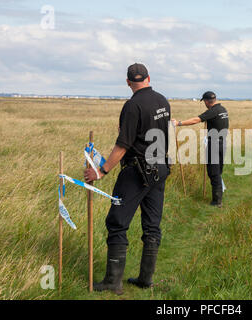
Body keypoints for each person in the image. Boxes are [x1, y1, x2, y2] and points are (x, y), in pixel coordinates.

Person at [83, 63, 171, 295]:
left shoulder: (133, 105)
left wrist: (101, 171)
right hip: (160, 169)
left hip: (136, 172)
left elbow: (123, 144)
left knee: (117, 222)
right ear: (149, 78)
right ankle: (145, 279)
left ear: (128, 82)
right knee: (152, 225)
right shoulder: (163, 100)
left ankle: (113, 282)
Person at [172, 91, 229, 208]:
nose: (204, 104)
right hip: (222, 143)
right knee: (218, 170)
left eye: (204, 102)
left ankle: (217, 201)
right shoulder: (223, 109)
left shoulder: (212, 111)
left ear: (207, 101)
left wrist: (179, 123)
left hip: (214, 145)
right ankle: (218, 196)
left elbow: (196, 120)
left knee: (214, 172)